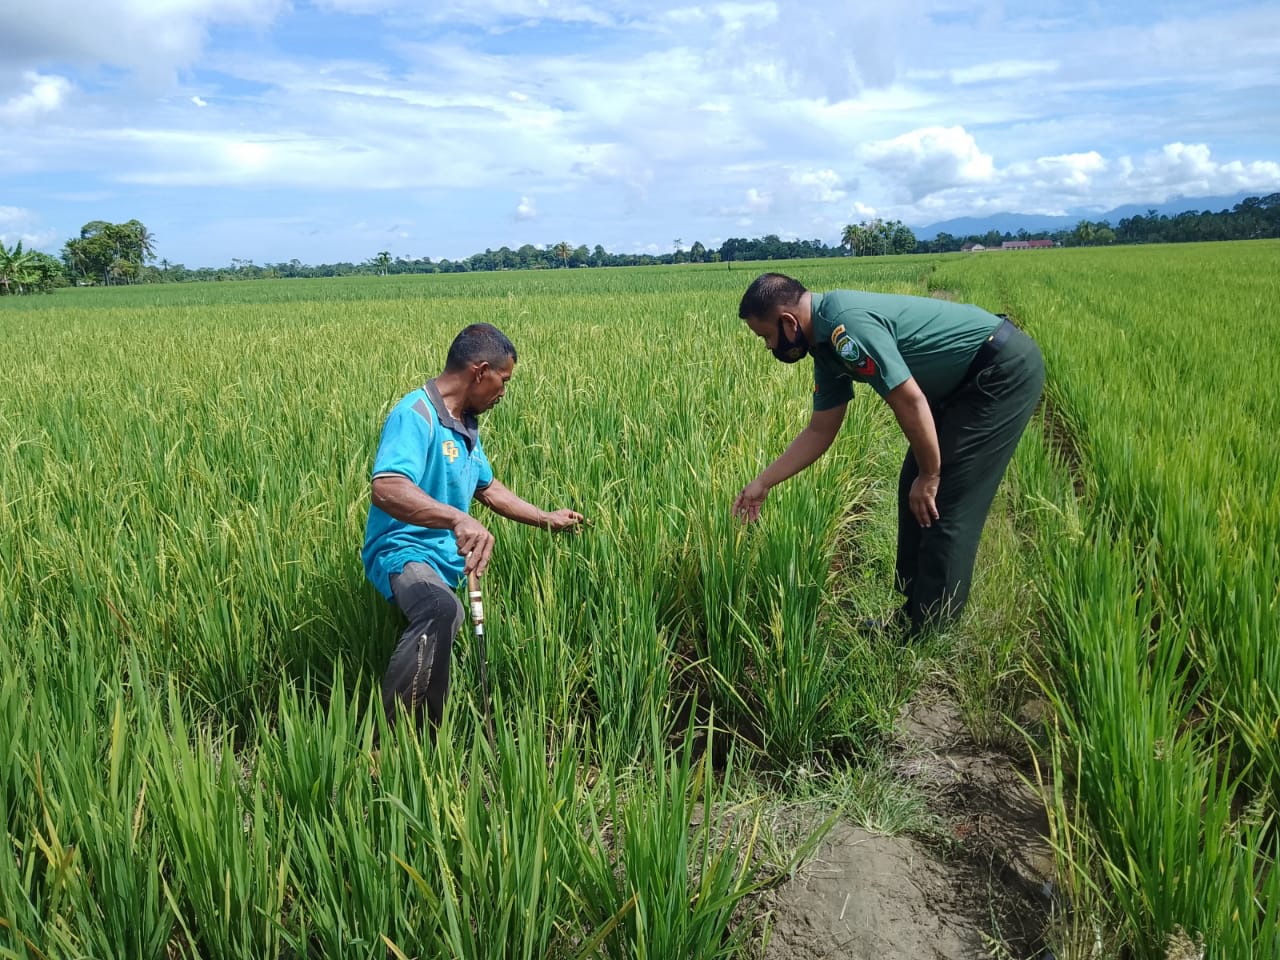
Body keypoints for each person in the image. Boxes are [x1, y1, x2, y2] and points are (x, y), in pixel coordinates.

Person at [732, 273, 1045, 639]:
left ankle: (931, 634)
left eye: (766, 336)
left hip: (998, 372)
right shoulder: (824, 345)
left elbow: (909, 401)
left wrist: (930, 475)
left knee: (943, 498)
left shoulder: (844, 328)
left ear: (788, 321)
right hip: (959, 383)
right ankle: (912, 614)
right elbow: (820, 429)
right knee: (911, 487)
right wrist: (762, 483)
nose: (770, 347)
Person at [362, 322, 583, 732]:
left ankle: (428, 737)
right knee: (440, 609)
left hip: (445, 556)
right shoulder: (416, 415)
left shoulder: (463, 424)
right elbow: (386, 487)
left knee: (444, 622)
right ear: (480, 371)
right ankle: (385, 740)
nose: (503, 393)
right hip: (403, 548)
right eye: (503, 381)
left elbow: (487, 487)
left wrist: (544, 517)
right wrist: (456, 518)